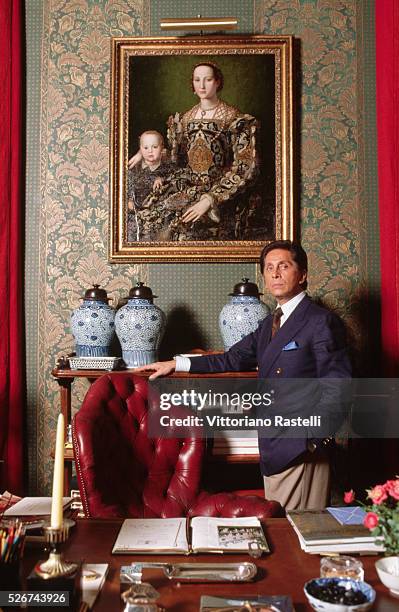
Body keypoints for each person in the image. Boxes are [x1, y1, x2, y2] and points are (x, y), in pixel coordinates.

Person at [134, 240, 352, 510]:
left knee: (297, 532)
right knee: (280, 527)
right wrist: (176, 364)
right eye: (269, 268)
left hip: (300, 448)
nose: (275, 274)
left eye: (284, 266)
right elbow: (232, 358)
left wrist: (311, 439)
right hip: (274, 444)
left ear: (303, 274)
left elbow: (339, 388)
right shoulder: (270, 323)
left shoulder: (320, 321)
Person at [128, 62, 259, 241]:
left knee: (183, 226)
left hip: (219, 189)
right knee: (151, 214)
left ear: (218, 82)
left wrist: (209, 200)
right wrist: (140, 153)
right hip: (187, 183)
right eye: (197, 80)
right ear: (192, 84)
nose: (202, 85)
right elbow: (173, 158)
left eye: (208, 79)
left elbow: (245, 168)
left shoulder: (235, 119)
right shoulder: (185, 119)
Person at [127, 130, 175, 241]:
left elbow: (175, 178)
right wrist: (130, 203)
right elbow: (126, 192)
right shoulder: (133, 170)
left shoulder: (168, 168)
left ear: (162, 147)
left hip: (159, 217)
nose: (150, 151)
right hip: (135, 217)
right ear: (140, 148)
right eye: (146, 148)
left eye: (154, 147)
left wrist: (162, 178)